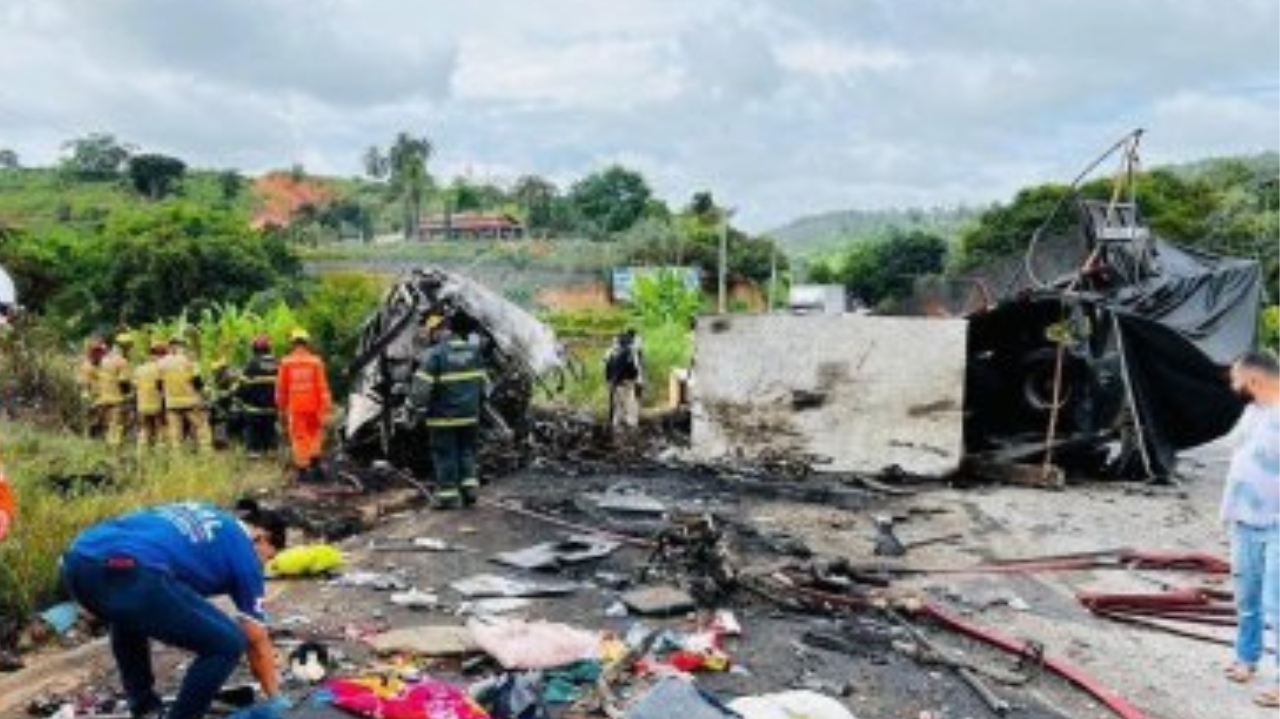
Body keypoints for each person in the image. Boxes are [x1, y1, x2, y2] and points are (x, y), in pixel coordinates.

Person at [61, 501, 292, 719]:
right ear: (261, 538)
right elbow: (255, 638)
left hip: (77, 561)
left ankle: (144, 708)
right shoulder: (246, 555)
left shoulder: (208, 511)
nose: (262, 566)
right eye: (268, 558)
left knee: (129, 616)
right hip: (131, 570)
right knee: (228, 644)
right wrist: (276, 697)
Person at [1221, 350, 1280, 708]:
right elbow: (1235, 453)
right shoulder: (1252, 412)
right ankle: (1246, 658)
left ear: (1254, 380)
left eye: (1236, 379)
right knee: (1247, 597)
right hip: (1244, 518)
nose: (1234, 386)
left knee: (1277, 603)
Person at [408, 315, 487, 509]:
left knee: (445, 455)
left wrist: (415, 409)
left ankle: (449, 497)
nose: (431, 336)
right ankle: (470, 491)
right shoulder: (474, 352)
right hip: (470, 416)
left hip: (443, 418)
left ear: (438, 331)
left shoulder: (435, 355)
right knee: (466, 452)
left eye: (432, 332)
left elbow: (421, 390)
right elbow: (484, 386)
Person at [276, 328, 331, 482]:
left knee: (299, 436)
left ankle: (302, 469)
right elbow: (323, 386)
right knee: (314, 433)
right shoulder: (316, 361)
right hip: (315, 406)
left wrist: (281, 408)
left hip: (296, 406)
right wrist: (326, 408)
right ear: (307, 343)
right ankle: (315, 461)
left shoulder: (286, 362)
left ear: (293, 343)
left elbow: (281, 388)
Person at [158, 336, 212, 451]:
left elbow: (159, 384)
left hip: (171, 402)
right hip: (190, 401)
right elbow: (197, 380)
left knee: (175, 431)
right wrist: (205, 392)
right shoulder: (189, 359)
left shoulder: (162, 362)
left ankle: (177, 457)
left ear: (170, 346)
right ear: (181, 346)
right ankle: (206, 453)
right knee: (201, 427)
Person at [236, 335, 280, 458]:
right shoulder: (277, 363)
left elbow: (243, 385)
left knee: (253, 428)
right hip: (273, 406)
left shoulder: (252, 363)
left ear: (254, 348)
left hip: (254, 407)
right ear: (269, 348)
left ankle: (254, 451)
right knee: (270, 428)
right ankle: (272, 449)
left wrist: (239, 398)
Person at [604, 328, 644, 432]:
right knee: (630, 410)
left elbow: (608, 370)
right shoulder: (627, 354)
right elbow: (632, 370)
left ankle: (617, 429)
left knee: (617, 410)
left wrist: (610, 382)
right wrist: (637, 380)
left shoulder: (613, 353)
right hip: (625, 384)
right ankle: (630, 431)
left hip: (616, 384)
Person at [133, 340, 167, 451]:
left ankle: (141, 452)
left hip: (142, 404)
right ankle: (160, 453)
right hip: (157, 404)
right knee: (160, 428)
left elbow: (135, 385)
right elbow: (162, 386)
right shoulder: (160, 368)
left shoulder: (139, 368)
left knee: (145, 428)